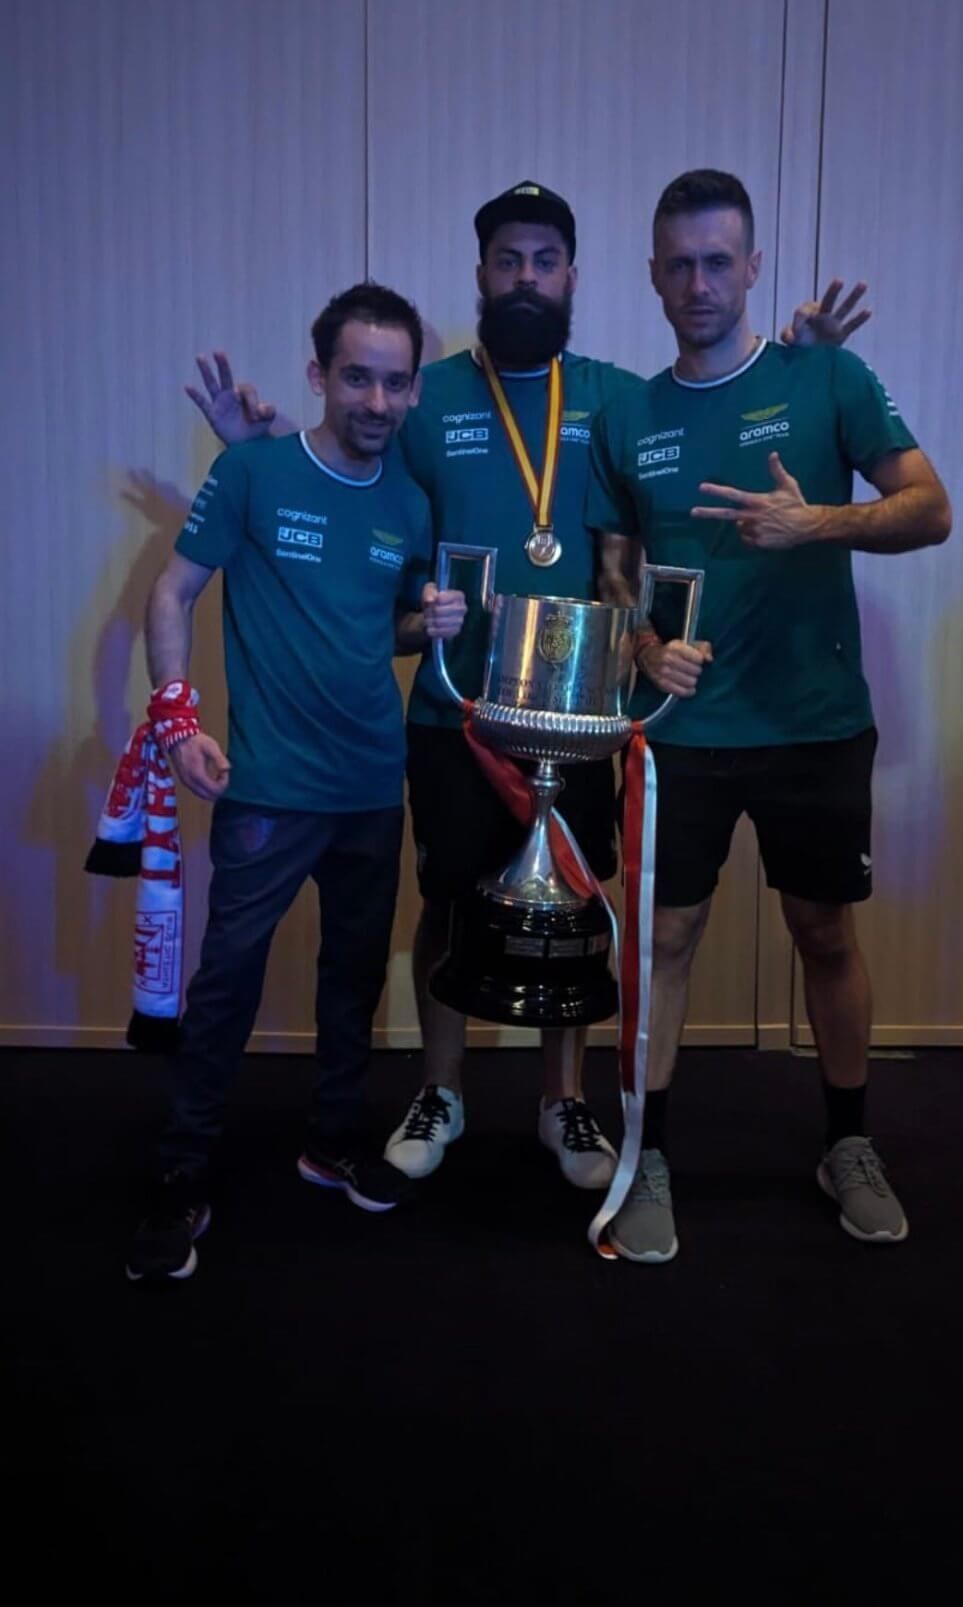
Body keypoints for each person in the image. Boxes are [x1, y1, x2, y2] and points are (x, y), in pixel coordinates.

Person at [190, 182, 870, 1195]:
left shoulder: (615, 396)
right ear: (481, 276)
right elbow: (349, 462)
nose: (526, 278)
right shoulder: (427, 400)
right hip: (454, 707)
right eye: (508, 259)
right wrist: (262, 453)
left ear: (574, 277)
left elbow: (645, 521)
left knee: (578, 903)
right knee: (450, 896)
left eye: (545, 260)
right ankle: (442, 1088)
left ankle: (563, 1097)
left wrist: (802, 363)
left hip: (584, 713)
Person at [586, 170, 951, 1263]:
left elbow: (929, 509)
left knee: (825, 931)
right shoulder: (628, 413)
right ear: (653, 275)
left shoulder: (825, 375)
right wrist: (643, 643)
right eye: (678, 263)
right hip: (681, 734)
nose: (698, 283)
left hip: (814, 720)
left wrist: (818, 522)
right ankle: (647, 1150)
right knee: (664, 939)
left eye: (718, 260)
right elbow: (615, 564)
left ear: (752, 266)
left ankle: (848, 1142)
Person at [125, 282, 466, 1282]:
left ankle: (331, 1136)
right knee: (228, 977)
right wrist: (176, 718)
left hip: (372, 784)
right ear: (320, 376)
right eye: (356, 375)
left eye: (395, 381)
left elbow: (389, 624)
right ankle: (182, 1168)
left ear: (411, 391)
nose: (376, 398)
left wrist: (429, 621)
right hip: (269, 788)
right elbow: (172, 591)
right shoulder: (254, 471)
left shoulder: (408, 499)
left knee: (354, 977)